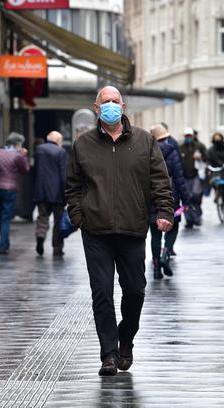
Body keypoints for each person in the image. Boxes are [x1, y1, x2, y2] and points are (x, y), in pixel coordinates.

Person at [66, 86, 174, 376]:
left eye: (116, 101)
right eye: (106, 102)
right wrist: (79, 216)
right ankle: (109, 354)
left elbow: (160, 181)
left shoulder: (145, 141)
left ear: (123, 106)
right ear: (97, 107)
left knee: (135, 291)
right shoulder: (83, 144)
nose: (111, 105)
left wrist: (164, 212)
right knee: (101, 292)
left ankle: (126, 340)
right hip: (96, 231)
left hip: (132, 229)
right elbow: (73, 186)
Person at [149, 124, 190, 279]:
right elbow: (179, 179)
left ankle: (156, 266)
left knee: (155, 234)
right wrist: (186, 200)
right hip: (170, 195)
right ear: (166, 137)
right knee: (172, 227)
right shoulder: (172, 152)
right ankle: (166, 253)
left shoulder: (147, 153)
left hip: (151, 197)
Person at [0, 132, 30, 255]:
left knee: (0, 216)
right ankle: (3, 245)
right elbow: (25, 169)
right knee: (6, 218)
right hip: (10, 189)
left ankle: (5, 242)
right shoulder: (18, 155)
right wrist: (24, 156)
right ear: (18, 144)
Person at [33, 131, 68, 257]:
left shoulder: (39, 150)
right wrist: (67, 192)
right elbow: (64, 175)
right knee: (58, 221)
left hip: (41, 190)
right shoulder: (61, 152)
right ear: (58, 141)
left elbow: (35, 170)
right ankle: (57, 248)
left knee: (42, 216)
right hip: (57, 192)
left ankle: (40, 236)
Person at [179, 127, 207, 228]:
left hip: (196, 175)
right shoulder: (180, 147)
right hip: (184, 176)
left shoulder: (200, 146)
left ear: (193, 136)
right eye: (186, 136)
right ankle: (188, 220)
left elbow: (207, 158)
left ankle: (197, 216)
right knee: (186, 198)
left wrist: (201, 157)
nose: (188, 138)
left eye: (190, 136)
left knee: (196, 195)